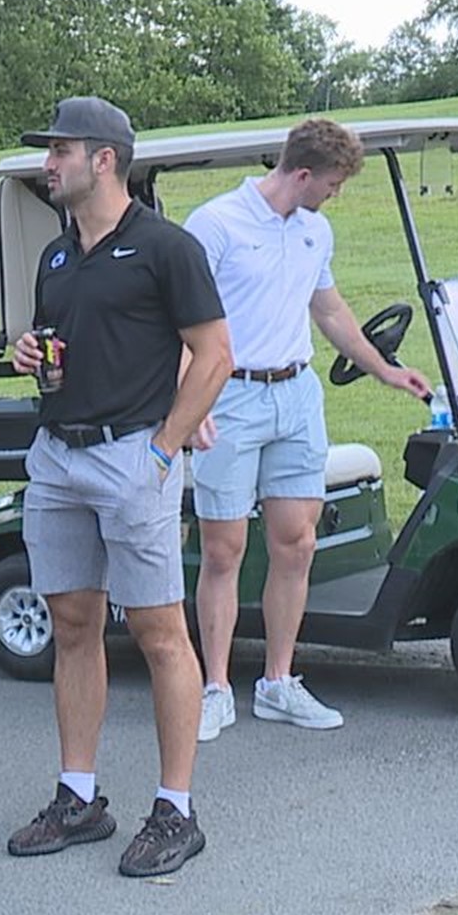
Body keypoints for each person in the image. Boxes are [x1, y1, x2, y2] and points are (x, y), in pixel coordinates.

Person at [3, 97, 232, 878]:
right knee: (72, 623)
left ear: (104, 159)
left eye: (59, 150)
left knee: (160, 630)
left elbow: (214, 355)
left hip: (133, 459)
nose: (48, 163)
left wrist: (165, 450)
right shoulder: (58, 256)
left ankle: (176, 809)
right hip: (58, 457)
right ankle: (79, 797)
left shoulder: (167, 247)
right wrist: (31, 352)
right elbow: (63, 342)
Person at [184, 118, 431, 741]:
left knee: (296, 543)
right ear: (301, 174)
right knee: (224, 549)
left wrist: (385, 370)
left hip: (296, 396)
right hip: (231, 395)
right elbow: (178, 320)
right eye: (333, 183)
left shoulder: (315, 231)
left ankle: (277, 681)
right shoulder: (215, 225)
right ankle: (214, 688)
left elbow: (328, 309)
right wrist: (191, 403)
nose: (336, 194)